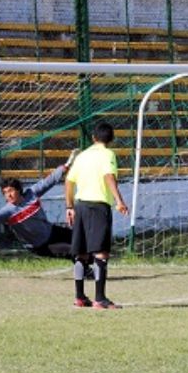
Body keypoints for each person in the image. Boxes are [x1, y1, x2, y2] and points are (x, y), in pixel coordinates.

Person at [0, 150, 93, 279]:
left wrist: (65, 166)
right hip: (40, 245)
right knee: (74, 250)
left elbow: (49, 180)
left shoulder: (31, 194)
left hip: (51, 231)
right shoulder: (8, 211)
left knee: (81, 238)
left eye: (11, 191)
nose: (8, 195)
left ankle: (91, 263)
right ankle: (87, 271)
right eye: (5, 193)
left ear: (19, 190)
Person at [65, 121, 129, 310]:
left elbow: (68, 181)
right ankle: (99, 299)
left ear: (93, 138)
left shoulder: (82, 156)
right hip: (98, 206)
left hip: (80, 206)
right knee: (101, 252)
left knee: (81, 252)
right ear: (111, 139)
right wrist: (119, 201)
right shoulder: (108, 154)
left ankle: (79, 297)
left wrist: (69, 206)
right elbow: (109, 176)